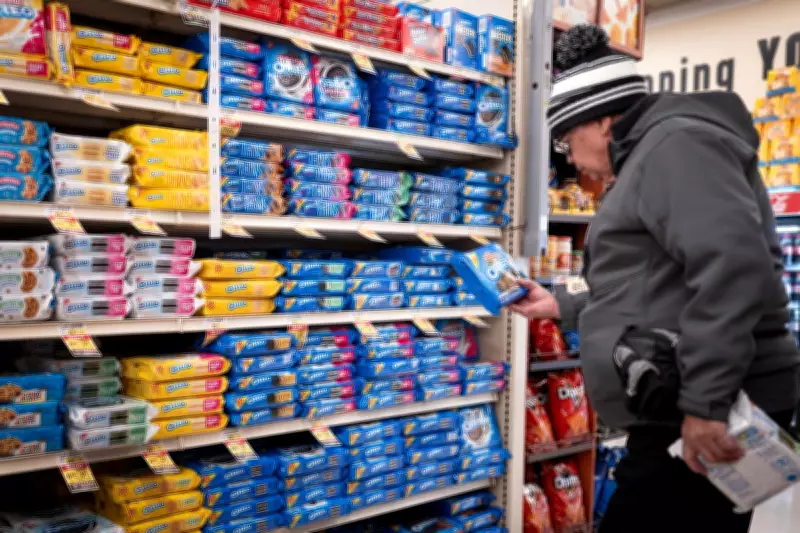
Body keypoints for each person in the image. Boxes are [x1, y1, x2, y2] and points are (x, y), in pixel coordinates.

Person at [513, 25, 800, 532]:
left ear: (603, 120)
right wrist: (562, 305)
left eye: (567, 141)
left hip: (706, 399)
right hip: (683, 393)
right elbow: (657, 284)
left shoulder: (676, 146)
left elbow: (733, 270)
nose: (571, 159)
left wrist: (706, 406)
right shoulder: (658, 151)